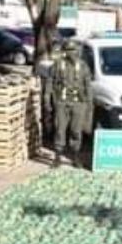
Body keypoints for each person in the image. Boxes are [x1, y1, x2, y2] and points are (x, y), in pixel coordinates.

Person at [52, 40, 93, 168]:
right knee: (60, 129)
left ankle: (76, 156)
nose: (72, 53)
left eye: (74, 50)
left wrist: (89, 103)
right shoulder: (58, 65)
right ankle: (57, 156)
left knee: (76, 131)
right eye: (69, 51)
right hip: (62, 102)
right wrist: (49, 98)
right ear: (64, 52)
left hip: (78, 103)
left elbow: (88, 86)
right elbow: (50, 82)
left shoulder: (83, 66)